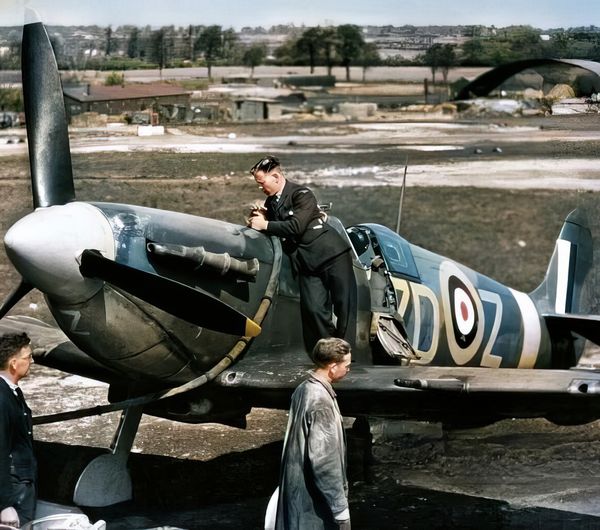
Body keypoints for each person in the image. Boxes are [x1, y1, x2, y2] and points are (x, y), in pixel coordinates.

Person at [248, 155, 357, 352]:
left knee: (344, 306)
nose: (260, 187)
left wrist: (265, 224)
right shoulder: (271, 202)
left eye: (262, 182)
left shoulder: (302, 194)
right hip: (307, 263)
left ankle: (348, 357)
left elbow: (296, 227)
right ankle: (330, 353)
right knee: (313, 310)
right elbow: (275, 227)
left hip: (331, 254)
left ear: (276, 177)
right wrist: (261, 218)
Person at [275, 337, 352, 530]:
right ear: (333, 366)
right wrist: (339, 507)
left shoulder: (303, 388)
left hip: (297, 493)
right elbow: (325, 460)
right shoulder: (321, 402)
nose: (349, 369)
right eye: (347, 365)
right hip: (313, 503)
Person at [0, 333, 36, 528]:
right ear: (14, 363)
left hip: (20, 483)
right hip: (13, 488)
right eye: (28, 357)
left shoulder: (12, 391)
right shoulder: (1, 397)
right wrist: (4, 505)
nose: (32, 361)